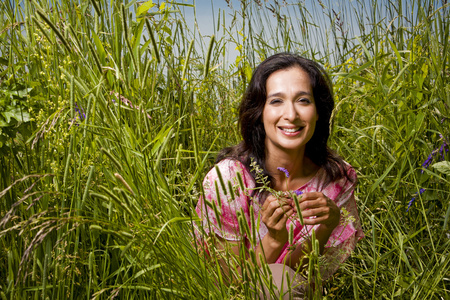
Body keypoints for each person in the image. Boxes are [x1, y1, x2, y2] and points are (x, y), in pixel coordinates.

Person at [195, 53, 364, 299]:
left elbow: (302, 279)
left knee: (282, 281)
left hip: (291, 290)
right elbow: (229, 283)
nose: (291, 115)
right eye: (276, 101)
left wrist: (327, 226)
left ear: (318, 111)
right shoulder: (228, 180)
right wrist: (275, 239)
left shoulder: (335, 180)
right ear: (259, 112)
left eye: (303, 101)